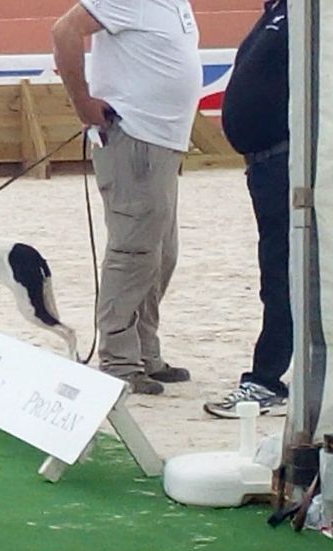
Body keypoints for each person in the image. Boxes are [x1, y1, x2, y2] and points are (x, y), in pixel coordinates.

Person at [52, 0, 201, 395]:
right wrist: (82, 102)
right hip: (133, 137)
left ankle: (145, 351)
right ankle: (118, 359)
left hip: (164, 142)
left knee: (161, 253)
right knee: (133, 251)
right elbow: (64, 31)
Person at [204, 0, 290, 419]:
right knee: (277, 270)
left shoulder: (308, 15)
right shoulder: (278, 11)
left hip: (289, 161)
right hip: (267, 163)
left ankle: (267, 378)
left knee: (283, 271)